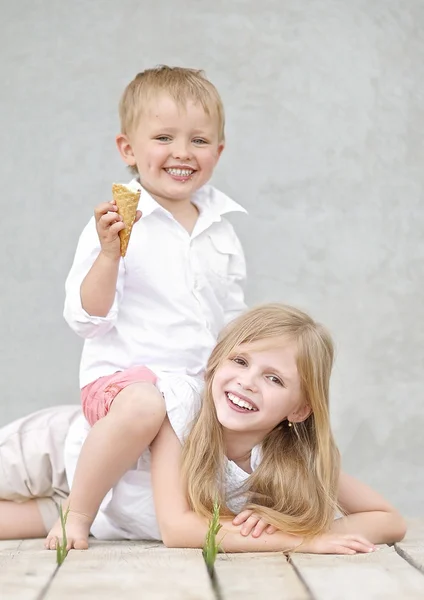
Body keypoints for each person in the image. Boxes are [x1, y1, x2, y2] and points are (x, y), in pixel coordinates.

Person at [0, 304, 406, 553]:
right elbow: (178, 529)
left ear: (300, 410)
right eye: (241, 362)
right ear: (215, 364)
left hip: (104, 512)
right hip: (55, 455)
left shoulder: (289, 458)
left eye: (274, 379)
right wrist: (304, 540)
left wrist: (292, 524)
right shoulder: (186, 408)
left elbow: (388, 519)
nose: (247, 382)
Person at [45, 65, 247, 549]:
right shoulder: (117, 223)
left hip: (191, 385)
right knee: (145, 404)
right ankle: (76, 514)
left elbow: (234, 318)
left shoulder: (223, 228)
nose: (182, 152)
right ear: (128, 150)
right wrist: (110, 255)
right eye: (163, 137)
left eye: (199, 140)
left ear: (218, 151)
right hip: (122, 382)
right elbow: (87, 319)